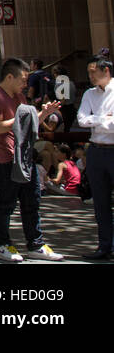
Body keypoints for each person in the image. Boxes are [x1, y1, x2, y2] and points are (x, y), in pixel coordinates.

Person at [0, 57, 64, 262]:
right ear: (9, 77)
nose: (25, 84)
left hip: (24, 157)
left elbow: (28, 122)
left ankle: (35, 244)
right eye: (22, 79)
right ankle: (3, 244)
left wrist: (44, 114)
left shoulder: (19, 97)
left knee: (32, 202)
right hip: (6, 159)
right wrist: (21, 117)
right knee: (6, 203)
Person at [75, 55, 114, 260]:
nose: (90, 76)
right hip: (97, 150)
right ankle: (105, 245)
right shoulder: (89, 94)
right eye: (89, 71)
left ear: (105, 70)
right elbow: (82, 120)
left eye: (93, 71)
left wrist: (96, 122)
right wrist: (104, 120)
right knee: (100, 201)